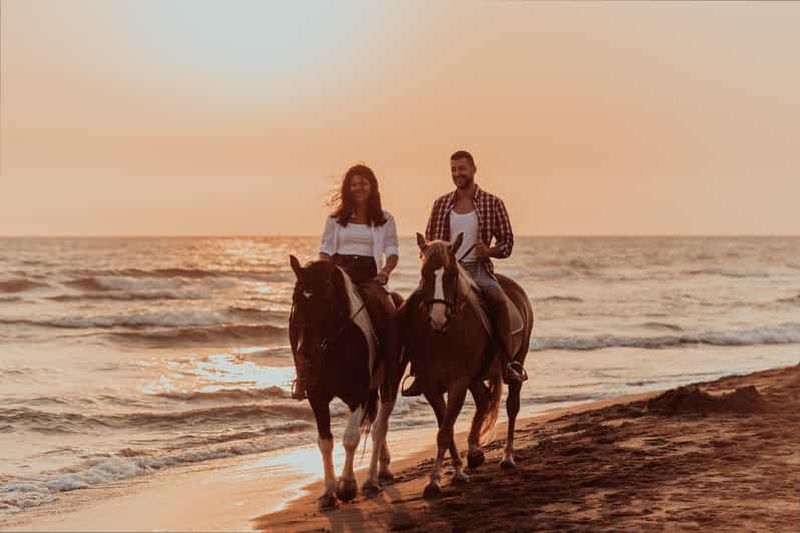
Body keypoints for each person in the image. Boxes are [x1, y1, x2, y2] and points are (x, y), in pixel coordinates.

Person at [402, 150, 526, 397]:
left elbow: (508, 243)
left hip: (477, 270)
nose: (458, 174)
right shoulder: (440, 204)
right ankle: (418, 370)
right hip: (445, 274)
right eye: (454, 170)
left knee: (499, 302)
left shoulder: (493, 203)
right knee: (411, 306)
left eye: (462, 169)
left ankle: (507, 363)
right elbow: (428, 244)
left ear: (473, 169)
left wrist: (488, 250)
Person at [291, 164, 400, 400]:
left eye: (363, 183)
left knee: (391, 314)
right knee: (301, 315)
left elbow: (392, 251)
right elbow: (325, 251)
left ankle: (389, 376)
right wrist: (324, 274)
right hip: (340, 276)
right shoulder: (335, 219)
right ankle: (302, 377)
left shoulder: (385, 218)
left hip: (371, 276)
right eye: (354, 183)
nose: (359, 187)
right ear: (347, 188)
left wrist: (386, 271)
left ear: (372, 186)